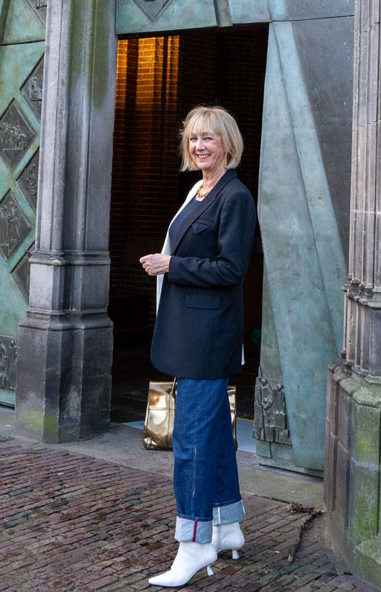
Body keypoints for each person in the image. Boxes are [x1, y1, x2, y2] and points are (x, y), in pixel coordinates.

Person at [140, 105, 257, 588]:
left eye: (208, 138)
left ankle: (193, 544)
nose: (199, 145)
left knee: (189, 442)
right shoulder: (198, 189)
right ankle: (227, 527)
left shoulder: (234, 196)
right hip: (188, 332)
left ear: (227, 143)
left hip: (206, 340)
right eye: (193, 138)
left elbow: (233, 269)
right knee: (211, 438)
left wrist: (172, 266)